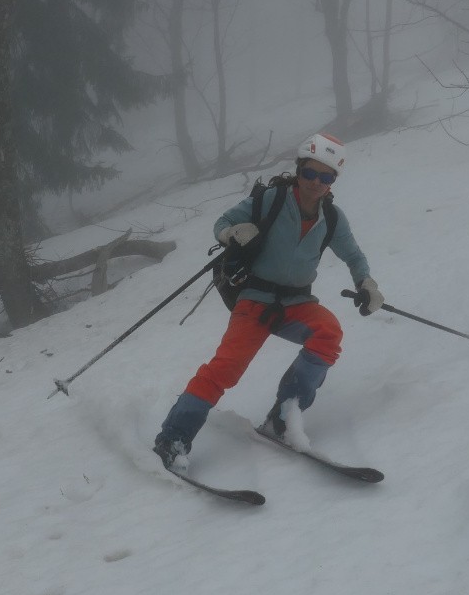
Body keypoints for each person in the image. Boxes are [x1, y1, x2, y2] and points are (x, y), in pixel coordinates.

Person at [153, 132, 383, 471]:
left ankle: (281, 419)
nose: (316, 182)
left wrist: (367, 284)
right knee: (225, 369)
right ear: (299, 169)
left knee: (328, 333)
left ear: (333, 180)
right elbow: (223, 223)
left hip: (297, 302)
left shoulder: (332, 218)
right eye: (310, 173)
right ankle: (173, 438)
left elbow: (353, 255)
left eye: (326, 176)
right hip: (256, 299)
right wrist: (234, 233)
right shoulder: (271, 199)